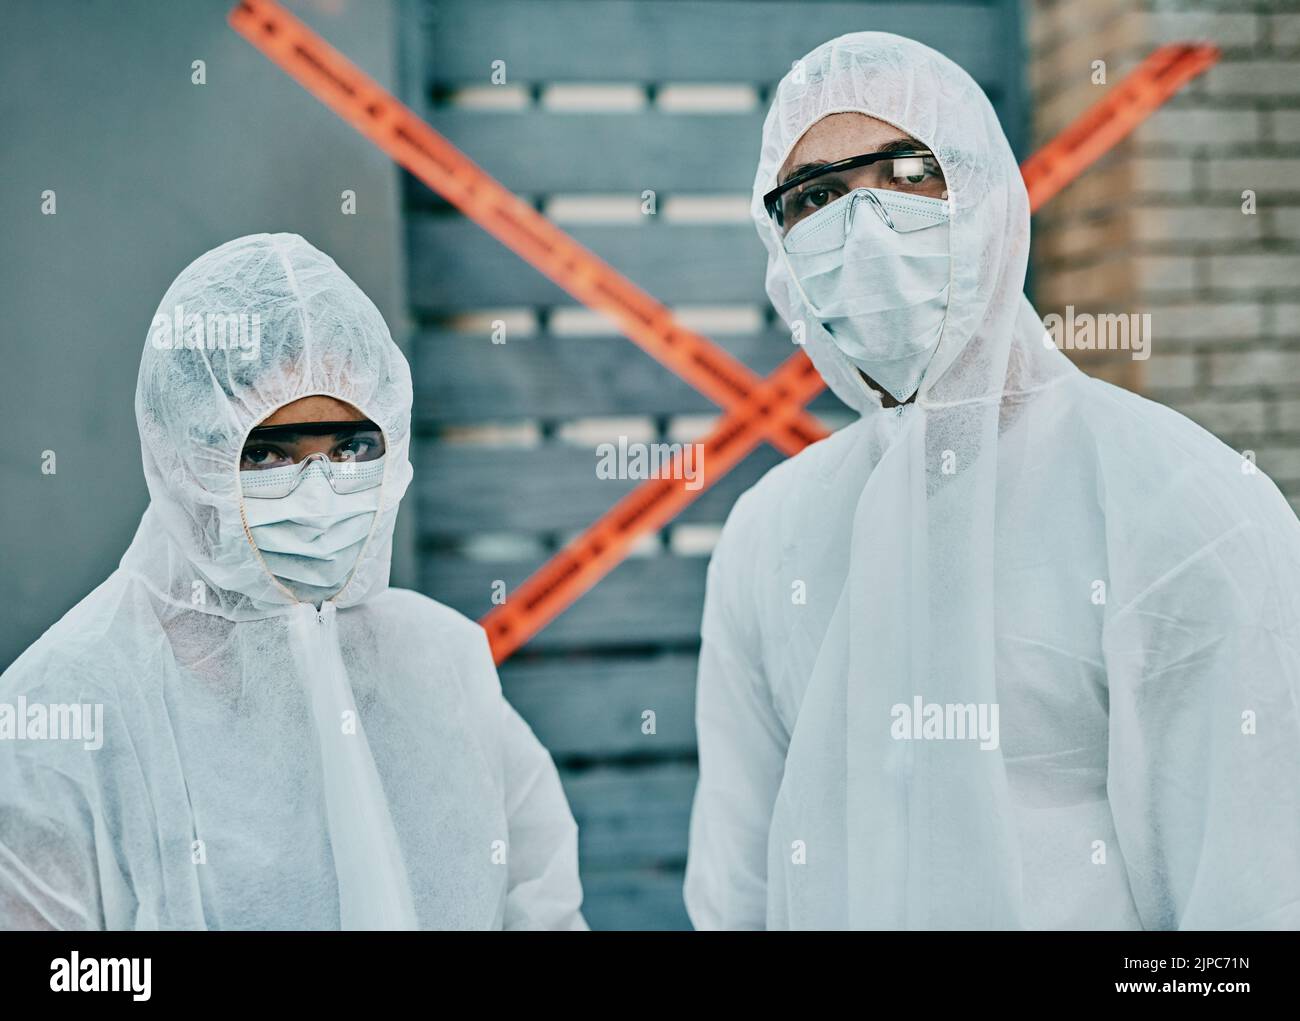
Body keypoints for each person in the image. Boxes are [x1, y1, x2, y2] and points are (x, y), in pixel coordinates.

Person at [684, 32, 1300, 930]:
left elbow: (1251, 902)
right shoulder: (769, 535)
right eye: (814, 196)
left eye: (906, 169)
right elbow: (738, 887)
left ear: (988, 201)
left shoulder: (1178, 503)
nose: (862, 225)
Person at [0, 233, 585, 930]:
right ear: (188, 454)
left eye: (349, 448)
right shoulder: (61, 710)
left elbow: (541, 907)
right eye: (271, 452)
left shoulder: (443, 667)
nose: (318, 497)